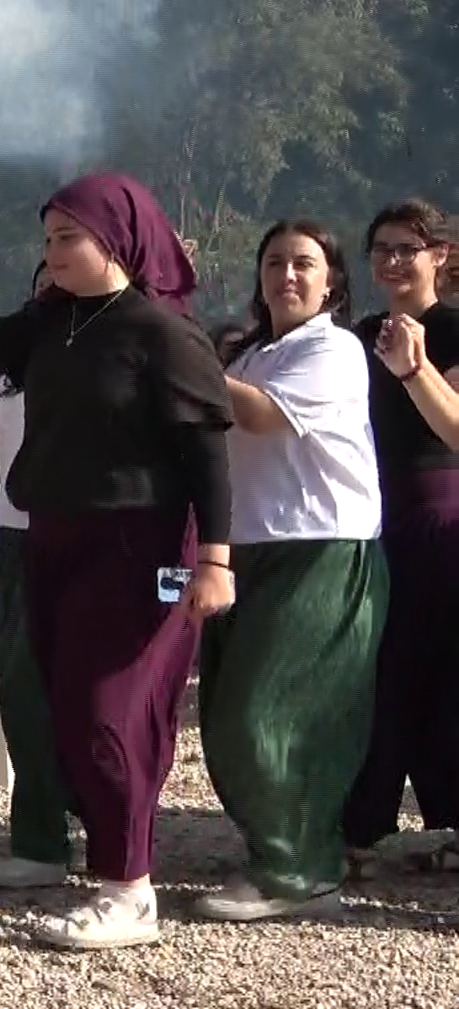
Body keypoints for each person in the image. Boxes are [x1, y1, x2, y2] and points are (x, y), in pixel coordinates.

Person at [0, 172, 236, 950]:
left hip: (141, 547)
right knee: (69, 706)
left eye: (68, 238)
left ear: (117, 241)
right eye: (47, 240)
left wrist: (216, 560)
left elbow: (206, 451)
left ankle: (129, 889)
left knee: (116, 709)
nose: (54, 253)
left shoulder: (161, 332)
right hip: (54, 535)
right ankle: (106, 857)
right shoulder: (54, 323)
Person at [195, 219, 386, 921]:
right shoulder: (250, 356)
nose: (288, 275)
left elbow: (263, 419)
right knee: (225, 714)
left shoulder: (333, 350)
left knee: (268, 715)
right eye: (275, 262)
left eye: (304, 263)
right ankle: (277, 845)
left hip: (321, 549)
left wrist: (188, 362)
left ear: (331, 278)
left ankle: (300, 871)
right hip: (250, 549)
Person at [341, 199, 459, 875]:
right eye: (379, 249)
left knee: (441, 676)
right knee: (374, 676)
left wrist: (413, 371)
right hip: (373, 519)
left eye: (404, 249)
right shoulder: (360, 335)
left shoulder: (452, 331)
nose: (389, 261)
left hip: (441, 519)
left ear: (437, 255)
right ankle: (364, 824)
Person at [0, 263, 77, 891]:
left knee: (88, 693)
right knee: (24, 688)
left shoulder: (103, 357)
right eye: (39, 284)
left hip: (89, 536)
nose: (48, 293)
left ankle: (105, 831)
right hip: (15, 535)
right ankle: (40, 839)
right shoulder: (9, 378)